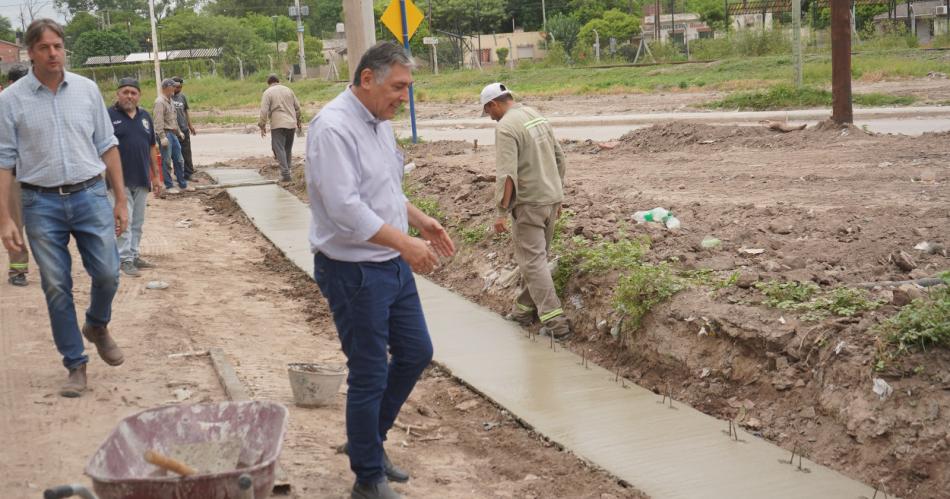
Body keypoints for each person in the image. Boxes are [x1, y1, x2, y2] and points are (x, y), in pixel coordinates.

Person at [305, 42, 455, 499]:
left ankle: (368, 440)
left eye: (408, 88)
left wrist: (419, 220)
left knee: (415, 353)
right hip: (354, 272)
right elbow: (345, 209)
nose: (404, 98)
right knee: (369, 371)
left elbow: (385, 189)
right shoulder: (332, 128)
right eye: (398, 87)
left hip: (389, 264)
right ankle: (367, 476)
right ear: (367, 79)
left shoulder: (380, 124)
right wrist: (407, 244)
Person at [0, 19, 128, 398]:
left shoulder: (87, 91)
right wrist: (5, 218)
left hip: (90, 195)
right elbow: (4, 161)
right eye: (44, 48)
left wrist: (120, 198)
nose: (53, 54)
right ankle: (76, 363)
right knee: (56, 284)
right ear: (30, 52)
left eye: (58, 46)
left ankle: (97, 324)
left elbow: (108, 146)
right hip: (40, 202)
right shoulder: (11, 100)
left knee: (108, 273)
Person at [481, 82, 572, 341]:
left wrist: (500, 212)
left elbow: (507, 174)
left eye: (489, 112)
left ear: (493, 104)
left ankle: (556, 324)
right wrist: (559, 195)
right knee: (536, 260)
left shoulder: (506, 127)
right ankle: (522, 312)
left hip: (530, 204)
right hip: (551, 199)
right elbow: (560, 158)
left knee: (533, 262)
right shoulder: (535, 115)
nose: (490, 117)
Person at [109, 77, 161, 277]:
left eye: (133, 92)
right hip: (117, 181)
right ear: (118, 94)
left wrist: (155, 176)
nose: (129, 96)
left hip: (140, 178)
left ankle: (134, 254)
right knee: (124, 220)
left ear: (139, 96)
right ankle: (124, 259)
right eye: (125, 92)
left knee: (138, 221)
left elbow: (151, 147)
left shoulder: (145, 117)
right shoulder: (108, 116)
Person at [3, 64, 29, 286]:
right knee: (16, 221)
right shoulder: (3, 105)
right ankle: (18, 269)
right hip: (11, 174)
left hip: (35, 171)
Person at [260, 74, 302, 182]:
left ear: (268, 83)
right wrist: (298, 121)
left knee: (278, 149)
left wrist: (262, 125)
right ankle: (288, 171)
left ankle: (285, 174)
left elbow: (264, 110)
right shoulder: (288, 90)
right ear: (278, 81)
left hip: (278, 124)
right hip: (291, 124)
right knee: (287, 148)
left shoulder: (268, 92)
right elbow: (297, 107)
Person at [154, 78, 190, 194]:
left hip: (173, 134)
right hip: (166, 134)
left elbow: (173, 119)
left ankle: (182, 184)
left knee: (179, 159)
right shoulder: (160, 102)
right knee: (167, 161)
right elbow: (158, 121)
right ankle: (169, 186)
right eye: (172, 87)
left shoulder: (171, 101)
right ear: (166, 88)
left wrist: (179, 132)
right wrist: (162, 136)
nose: (174, 89)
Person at [170, 76, 196, 180]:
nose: (178, 89)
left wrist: (190, 126)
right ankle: (178, 174)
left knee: (187, 152)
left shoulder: (182, 97)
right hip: (172, 130)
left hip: (183, 129)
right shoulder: (167, 97)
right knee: (175, 154)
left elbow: (185, 112)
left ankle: (189, 173)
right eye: (176, 87)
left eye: (180, 87)